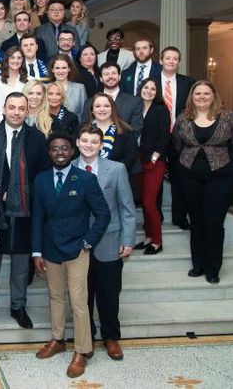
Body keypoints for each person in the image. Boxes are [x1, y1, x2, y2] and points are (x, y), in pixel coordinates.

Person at [31, 131, 111, 378]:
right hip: (50, 248)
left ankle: (82, 350)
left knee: (78, 302)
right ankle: (58, 339)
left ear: (72, 150)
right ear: (49, 152)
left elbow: (103, 214)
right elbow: (37, 218)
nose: (59, 152)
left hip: (77, 248)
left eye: (64, 148)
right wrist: (37, 251)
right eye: (54, 148)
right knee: (55, 297)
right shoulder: (42, 180)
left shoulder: (85, 180)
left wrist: (88, 242)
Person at [0, 92, 49, 330]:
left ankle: (18, 306)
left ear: (27, 111)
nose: (16, 112)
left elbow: (42, 174)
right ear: (4, 110)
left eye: (21, 108)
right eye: (12, 107)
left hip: (24, 211)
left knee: (20, 263)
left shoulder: (37, 139)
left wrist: (21, 192)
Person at [72, 125, 135, 362]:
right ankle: (85, 338)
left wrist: (128, 239)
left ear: (101, 145)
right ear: (78, 142)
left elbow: (127, 207)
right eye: (84, 140)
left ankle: (111, 337)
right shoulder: (69, 168)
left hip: (110, 241)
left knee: (109, 294)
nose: (88, 145)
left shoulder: (116, 169)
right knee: (81, 296)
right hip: (78, 244)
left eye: (93, 142)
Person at [173, 80, 233, 284]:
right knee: (196, 222)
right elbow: (177, 143)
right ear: (192, 97)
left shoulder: (228, 117)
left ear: (214, 96)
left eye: (206, 93)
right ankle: (198, 265)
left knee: (213, 222)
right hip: (189, 176)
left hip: (221, 177)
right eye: (198, 94)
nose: (202, 97)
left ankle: (213, 268)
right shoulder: (183, 118)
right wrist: (188, 161)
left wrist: (225, 162)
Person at [154, 46, 196, 230]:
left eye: (175, 59)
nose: (171, 61)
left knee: (181, 177)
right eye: (168, 58)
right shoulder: (152, 82)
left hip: (181, 138)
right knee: (156, 178)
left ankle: (180, 217)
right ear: (161, 60)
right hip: (157, 137)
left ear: (179, 62)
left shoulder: (188, 82)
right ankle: (157, 216)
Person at [135, 77, 171, 255]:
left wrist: (156, 156)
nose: (148, 91)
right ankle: (148, 237)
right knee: (144, 202)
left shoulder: (161, 110)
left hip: (154, 162)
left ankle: (157, 241)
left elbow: (164, 136)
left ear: (157, 92)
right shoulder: (136, 108)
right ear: (140, 88)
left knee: (150, 203)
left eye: (152, 89)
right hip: (138, 161)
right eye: (145, 87)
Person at [87, 93, 138, 175]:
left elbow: (130, 158)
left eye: (106, 106)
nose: (102, 109)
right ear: (92, 110)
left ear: (112, 109)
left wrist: (108, 171)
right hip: (87, 177)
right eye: (97, 106)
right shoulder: (82, 130)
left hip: (116, 177)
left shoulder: (126, 131)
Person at [94, 62, 144, 138]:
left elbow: (136, 130)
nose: (110, 76)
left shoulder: (134, 102)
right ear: (101, 79)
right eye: (106, 74)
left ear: (119, 76)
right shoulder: (90, 102)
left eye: (114, 73)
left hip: (124, 147)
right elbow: (86, 128)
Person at [0, 47, 29, 124]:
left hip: (25, 125)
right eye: (12, 57)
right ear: (7, 60)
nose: (16, 60)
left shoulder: (30, 81)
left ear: (23, 60)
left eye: (19, 58)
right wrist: (3, 125)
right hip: (1, 125)